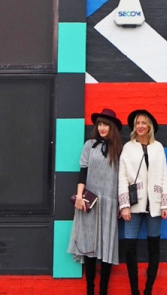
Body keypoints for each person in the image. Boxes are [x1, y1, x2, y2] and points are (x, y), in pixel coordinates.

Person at [68, 107, 123, 295]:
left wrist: (121, 203)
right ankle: (90, 289)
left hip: (109, 203)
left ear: (112, 128)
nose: (102, 128)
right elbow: (82, 171)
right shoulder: (89, 145)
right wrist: (79, 197)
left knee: (106, 249)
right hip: (89, 203)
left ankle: (103, 291)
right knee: (89, 248)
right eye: (99, 124)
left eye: (105, 125)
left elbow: (123, 178)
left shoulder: (119, 149)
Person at [119, 109, 167, 295]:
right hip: (133, 205)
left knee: (153, 247)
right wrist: (124, 205)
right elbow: (122, 177)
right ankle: (135, 291)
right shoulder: (128, 147)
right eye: (137, 123)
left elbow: (164, 175)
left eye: (143, 122)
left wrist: (165, 204)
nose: (140, 126)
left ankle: (148, 289)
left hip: (155, 205)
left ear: (149, 126)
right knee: (130, 248)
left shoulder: (158, 147)